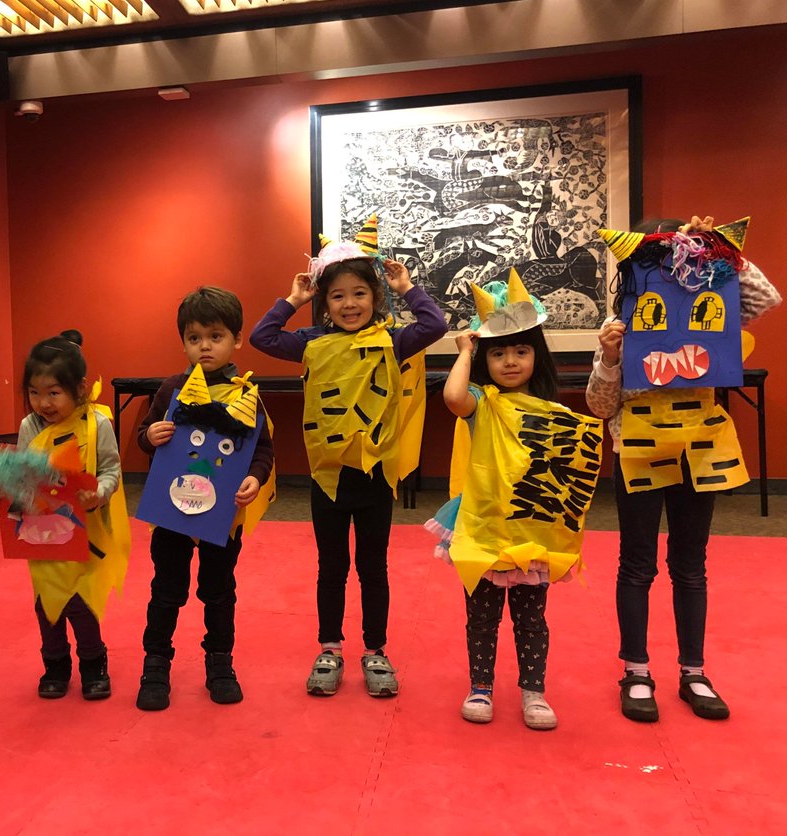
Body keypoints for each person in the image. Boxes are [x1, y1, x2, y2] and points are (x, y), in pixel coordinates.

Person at [588, 216, 781, 723]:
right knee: (637, 564)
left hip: (700, 449)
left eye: (677, 257)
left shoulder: (711, 306)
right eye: (655, 260)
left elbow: (765, 297)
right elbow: (600, 406)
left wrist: (714, 247)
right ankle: (635, 671)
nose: (669, 269)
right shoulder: (622, 323)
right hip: (639, 450)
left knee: (690, 565)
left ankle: (694, 671)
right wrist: (610, 357)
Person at [250, 216, 447, 697]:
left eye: (359, 293)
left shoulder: (391, 340)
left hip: (375, 474)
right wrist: (293, 300)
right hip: (328, 476)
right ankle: (330, 648)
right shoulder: (312, 342)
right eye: (337, 296)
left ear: (375, 297)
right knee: (332, 566)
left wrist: (406, 287)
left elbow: (435, 325)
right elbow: (262, 337)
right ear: (325, 303)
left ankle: (376, 650)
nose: (349, 304)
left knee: (373, 567)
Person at [429, 271, 602, 730]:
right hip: (484, 526)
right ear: (485, 360)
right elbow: (452, 396)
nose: (510, 361)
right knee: (481, 617)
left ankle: (533, 691)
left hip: (531, 529)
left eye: (521, 351)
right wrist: (464, 351)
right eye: (498, 353)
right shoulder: (481, 404)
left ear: (536, 356)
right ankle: (480, 687)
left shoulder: (554, 415)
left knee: (531, 618)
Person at [134, 287, 275, 710]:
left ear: (237, 339)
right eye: (194, 338)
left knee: (219, 591)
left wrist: (254, 479)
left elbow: (262, 450)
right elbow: (143, 437)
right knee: (166, 589)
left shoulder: (246, 394)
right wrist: (150, 435)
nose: (204, 347)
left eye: (215, 336)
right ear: (184, 342)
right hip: (172, 514)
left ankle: (220, 663)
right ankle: (155, 664)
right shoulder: (172, 388)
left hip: (222, 517)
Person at [0, 330, 130, 700]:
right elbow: (21, 477)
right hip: (42, 532)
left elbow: (111, 470)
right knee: (46, 602)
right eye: (34, 393)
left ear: (79, 388)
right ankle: (55, 664)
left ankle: (93, 662)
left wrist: (98, 494)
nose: (43, 403)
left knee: (82, 602)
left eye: (53, 393)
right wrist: (1, 492)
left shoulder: (97, 424)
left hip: (87, 531)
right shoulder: (29, 426)